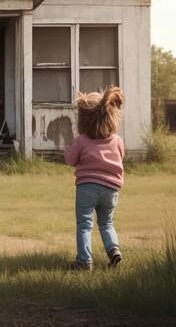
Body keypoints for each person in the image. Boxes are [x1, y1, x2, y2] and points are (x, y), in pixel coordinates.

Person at [64, 86, 125, 270]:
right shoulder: (117, 140)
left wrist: (68, 150)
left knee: (84, 224)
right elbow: (120, 158)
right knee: (106, 223)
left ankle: (84, 261)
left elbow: (71, 160)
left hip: (87, 188)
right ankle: (113, 249)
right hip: (111, 189)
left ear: (83, 120)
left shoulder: (81, 141)